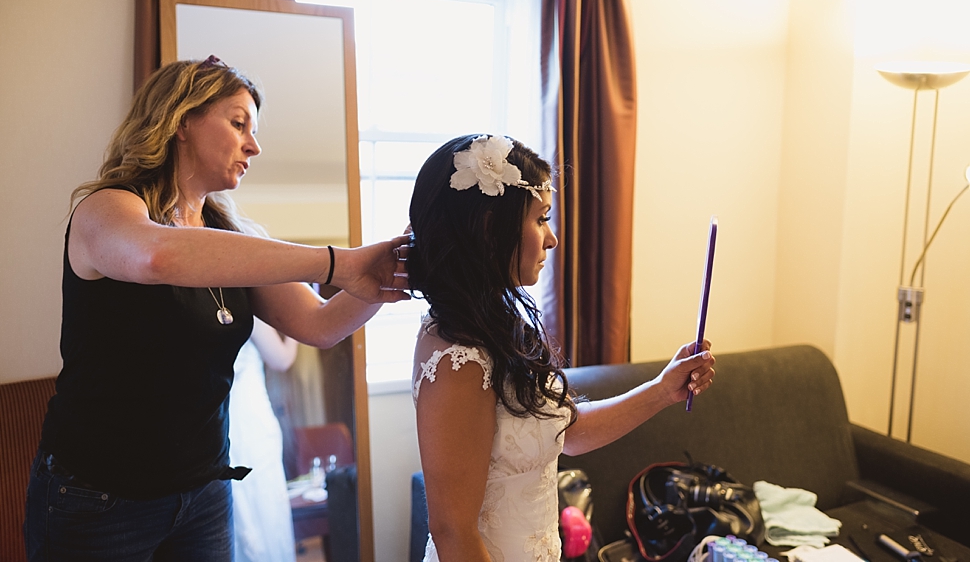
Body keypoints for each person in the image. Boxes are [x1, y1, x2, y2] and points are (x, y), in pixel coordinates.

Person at [24, 55, 409, 562]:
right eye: (237, 123)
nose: (254, 145)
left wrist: (389, 276)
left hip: (204, 492)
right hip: (98, 498)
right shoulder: (108, 209)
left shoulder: (233, 236)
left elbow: (318, 324)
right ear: (182, 121)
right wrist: (338, 263)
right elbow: (158, 255)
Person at [407, 135, 716, 562]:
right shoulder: (456, 358)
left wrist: (663, 389)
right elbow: (452, 531)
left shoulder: (498, 324)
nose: (551, 240)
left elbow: (566, 431)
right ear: (488, 227)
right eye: (540, 220)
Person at [228, 318, 298, 562]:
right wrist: (295, 325)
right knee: (265, 513)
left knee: (237, 515)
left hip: (217, 424)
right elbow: (282, 358)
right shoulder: (245, 304)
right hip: (251, 423)